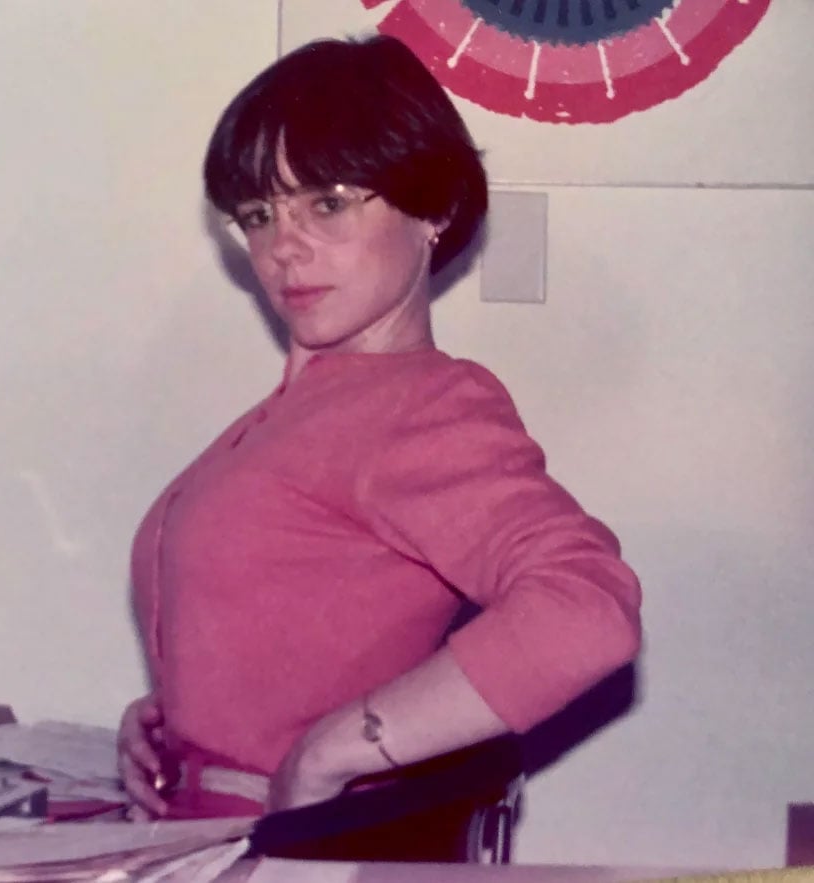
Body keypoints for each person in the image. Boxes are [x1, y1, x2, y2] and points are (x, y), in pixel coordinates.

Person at [117, 33, 641, 848]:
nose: (283, 246)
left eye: (327, 203)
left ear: (432, 208)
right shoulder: (300, 410)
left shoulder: (423, 404)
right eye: (259, 215)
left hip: (286, 854)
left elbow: (585, 611)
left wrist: (329, 752)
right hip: (197, 843)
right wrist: (178, 727)